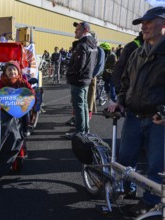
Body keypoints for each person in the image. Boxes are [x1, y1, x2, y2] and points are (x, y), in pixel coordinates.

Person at [108, 6, 165, 217]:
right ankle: (127, 189)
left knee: (156, 167)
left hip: (158, 121)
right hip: (133, 116)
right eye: (143, 23)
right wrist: (121, 101)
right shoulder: (137, 53)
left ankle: (150, 202)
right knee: (126, 158)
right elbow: (126, 82)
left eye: (149, 22)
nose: (144, 26)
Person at [65, 21, 97, 138]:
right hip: (86, 79)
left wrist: (70, 73)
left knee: (79, 107)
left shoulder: (82, 44)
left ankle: (79, 132)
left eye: (78, 30)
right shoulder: (93, 45)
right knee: (83, 106)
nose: (75, 31)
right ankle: (84, 130)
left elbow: (79, 65)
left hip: (78, 80)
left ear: (85, 31)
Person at [0, 61, 35, 136]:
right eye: (9, 70)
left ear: (18, 71)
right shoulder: (0, 83)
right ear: (5, 72)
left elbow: (30, 92)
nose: (12, 71)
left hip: (19, 104)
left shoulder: (22, 82)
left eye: (14, 69)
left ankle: (25, 128)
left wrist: (27, 100)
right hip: (5, 106)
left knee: (25, 112)